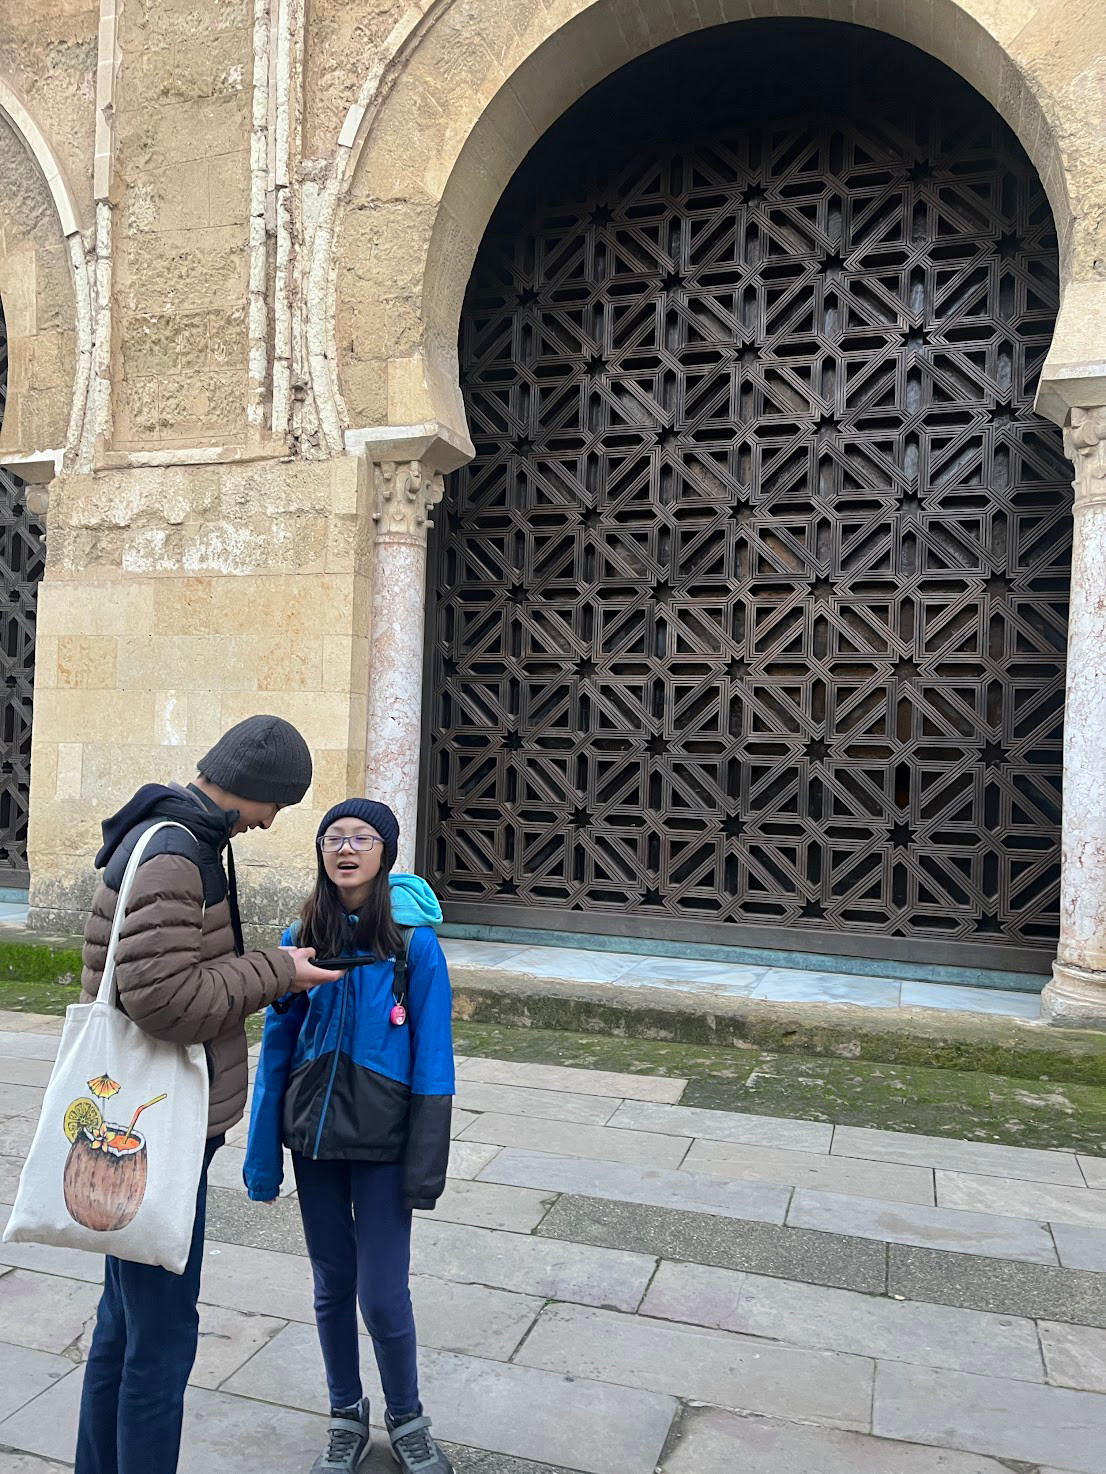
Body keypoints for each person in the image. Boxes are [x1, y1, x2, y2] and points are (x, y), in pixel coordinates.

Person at [75, 715, 342, 1474]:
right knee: (159, 1342)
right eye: (276, 807)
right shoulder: (177, 851)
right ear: (254, 791)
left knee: (122, 1328)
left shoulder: (177, 836)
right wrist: (277, 970)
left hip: (147, 1117)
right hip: (155, 1125)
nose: (270, 823)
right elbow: (161, 998)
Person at [244, 798, 455, 1474]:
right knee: (332, 1285)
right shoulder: (299, 935)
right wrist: (261, 1159)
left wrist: (426, 1163)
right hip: (315, 1142)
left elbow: (435, 1058)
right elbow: (275, 1049)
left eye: (362, 837)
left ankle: (408, 1416)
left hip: (386, 1143)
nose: (347, 848)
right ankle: (345, 1415)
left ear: (385, 852)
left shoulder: (415, 945)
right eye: (334, 836)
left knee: (384, 1293)